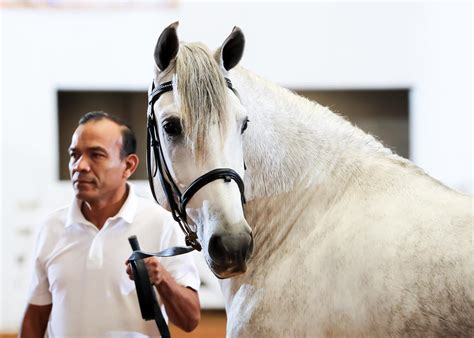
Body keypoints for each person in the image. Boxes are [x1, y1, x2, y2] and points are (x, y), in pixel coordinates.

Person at [20, 111, 200, 337]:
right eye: (74, 155)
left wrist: (161, 278)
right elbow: (36, 318)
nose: (80, 166)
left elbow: (190, 320)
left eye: (96, 155)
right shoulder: (51, 228)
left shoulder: (161, 224)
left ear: (128, 166)